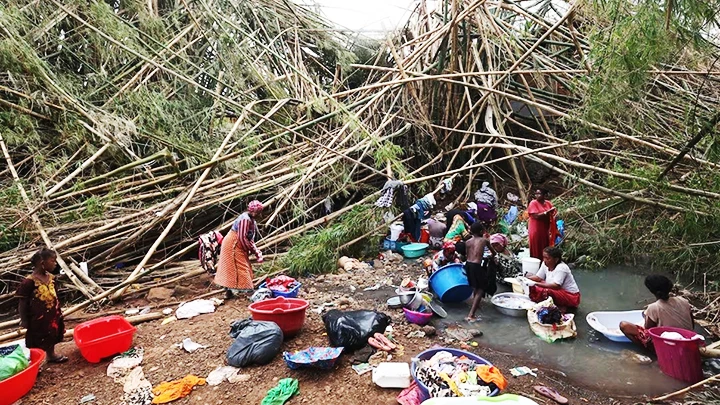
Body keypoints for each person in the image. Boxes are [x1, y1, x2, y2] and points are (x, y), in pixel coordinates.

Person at [16, 247, 67, 363]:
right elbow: (22, 302)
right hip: (37, 318)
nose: (55, 264)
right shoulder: (29, 282)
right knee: (37, 338)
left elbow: (55, 295)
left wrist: (58, 310)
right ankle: (35, 362)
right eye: (52, 261)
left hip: (53, 314)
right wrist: (24, 320)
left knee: (52, 333)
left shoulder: (52, 278)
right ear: (42, 263)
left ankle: (51, 355)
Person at [620, 275, 694, 351]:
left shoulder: (654, 307)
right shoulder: (683, 301)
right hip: (688, 340)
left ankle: (648, 351)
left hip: (669, 343)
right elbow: (692, 324)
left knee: (624, 325)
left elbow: (648, 330)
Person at [215, 200, 265, 298]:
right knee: (240, 266)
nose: (256, 213)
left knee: (235, 266)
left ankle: (229, 292)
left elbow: (249, 239)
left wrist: (256, 251)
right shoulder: (245, 219)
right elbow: (242, 237)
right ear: (251, 210)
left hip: (238, 243)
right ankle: (249, 291)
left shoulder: (252, 221)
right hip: (233, 243)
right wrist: (248, 249)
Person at [465, 222, 495, 322]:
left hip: (468, 265)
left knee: (475, 286)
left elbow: (468, 255)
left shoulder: (468, 242)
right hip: (477, 266)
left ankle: (475, 306)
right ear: (482, 231)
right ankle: (471, 314)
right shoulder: (484, 240)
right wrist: (491, 257)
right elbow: (493, 252)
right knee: (481, 288)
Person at [527, 189, 558, 259]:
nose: (537, 196)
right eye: (536, 194)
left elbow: (552, 213)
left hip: (545, 228)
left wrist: (553, 213)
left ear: (544, 195)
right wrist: (546, 213)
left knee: (545, 245)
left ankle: (545, 262)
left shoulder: (548, 203)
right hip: (536, 229)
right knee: (536, 245)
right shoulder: (533, 203)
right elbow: (536, 216)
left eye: (539, 194)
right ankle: (535, 262)